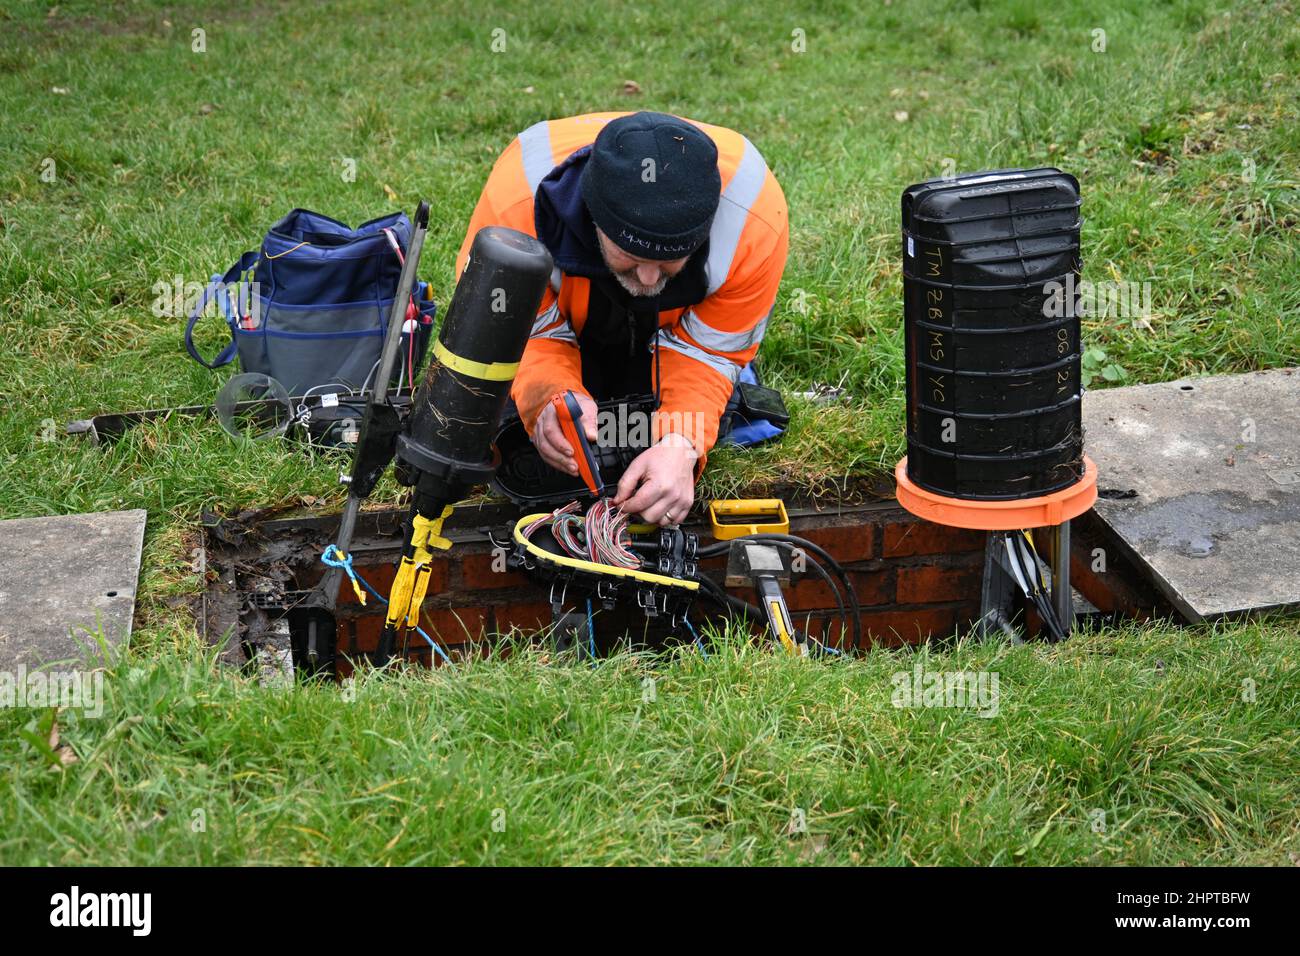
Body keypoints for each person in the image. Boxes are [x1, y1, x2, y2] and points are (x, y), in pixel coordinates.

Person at [455, 111, 788, 525]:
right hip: (562, 319)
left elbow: (708, 351)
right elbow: (526, 331)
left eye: (669, 260)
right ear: (594, 218)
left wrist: (681, 444)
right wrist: (551, 396)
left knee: (662, 428)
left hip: (671, 333)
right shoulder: (515, 213)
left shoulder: (752, 221)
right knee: (512, 428)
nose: (648, 278)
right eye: (631, 255)